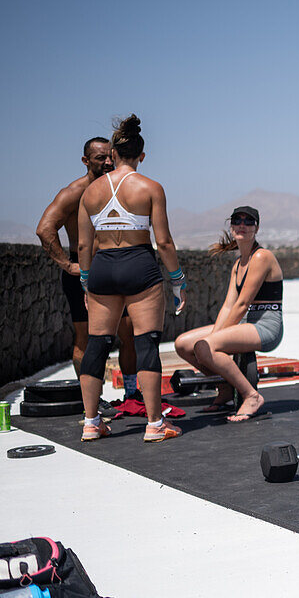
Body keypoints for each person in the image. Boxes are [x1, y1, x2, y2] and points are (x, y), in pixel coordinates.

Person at [77, 115, 185, 442]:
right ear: (141, 155)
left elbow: (84, 244)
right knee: (146, 343)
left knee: (97, 345)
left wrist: (86, 281)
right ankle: (154, 425)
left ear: (112, 155)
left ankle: (91, 423)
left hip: (103, 268)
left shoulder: (90, 192)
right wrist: (178, 281)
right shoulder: (150, 187)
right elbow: (163, 242)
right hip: (140, 264)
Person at [36, 138, 138, 396]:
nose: (106, 162)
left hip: (116, 268)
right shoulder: (74, 192)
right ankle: (92, 400)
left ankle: (131, 393)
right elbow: (45, 229)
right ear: (85, 161)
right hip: (84, 273)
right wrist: (67, 265)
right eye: (99, 158)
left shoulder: (118, 187)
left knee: (129, 333)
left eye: (109, 157)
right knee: (87, 337)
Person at [174, 206, 283, 421]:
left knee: (206, 346)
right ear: (231, 226)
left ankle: (251, 396)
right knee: (183, 344)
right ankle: (224, 387)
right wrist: (213, 337)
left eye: (248, 221)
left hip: (266, 326)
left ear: (256, 228)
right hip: (245, 323)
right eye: (237, 220)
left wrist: (211, 341)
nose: (242, 224)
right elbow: (227, 306)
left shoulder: (261, 257)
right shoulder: (237, 265)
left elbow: (242, 304)